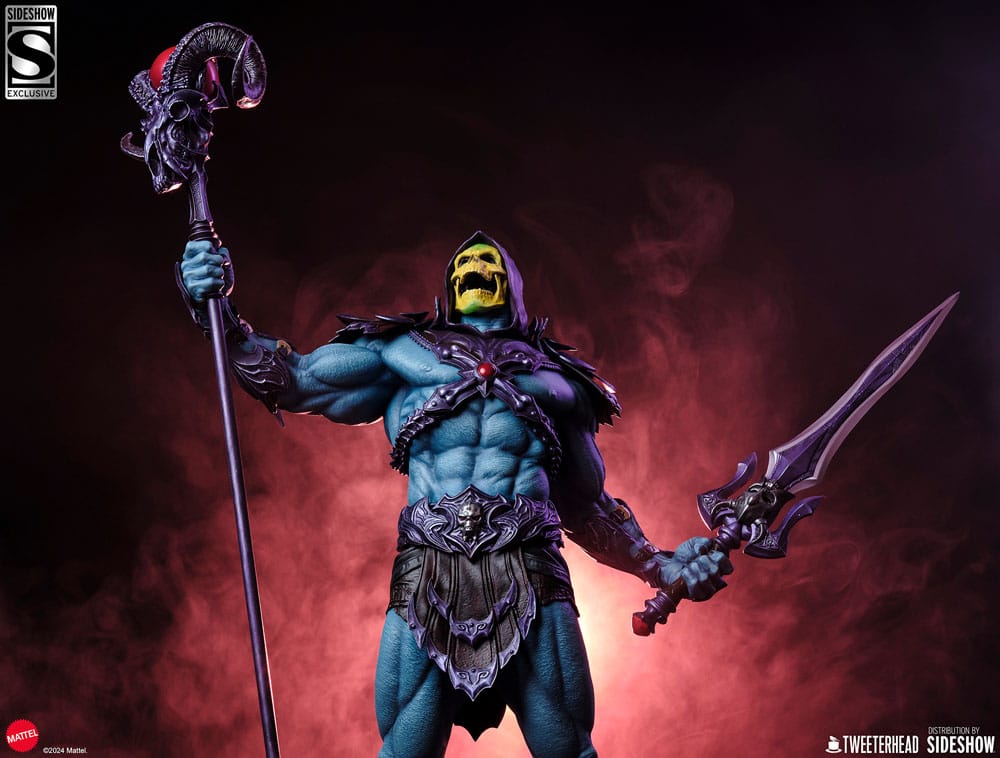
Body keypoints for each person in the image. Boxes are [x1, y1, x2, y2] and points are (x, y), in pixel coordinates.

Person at [179, 231, 733, 758]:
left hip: (530, 569)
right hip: (429, 568)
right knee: (404, 749)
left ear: (511, 282)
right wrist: (219, 315)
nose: (474, 268)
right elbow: (295, 379)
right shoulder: (400, 352)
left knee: (568, 748)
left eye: (486, 262)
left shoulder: (561, 383)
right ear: (448, 284)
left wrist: (657, 564)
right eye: (463, 264)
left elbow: (587, 507)